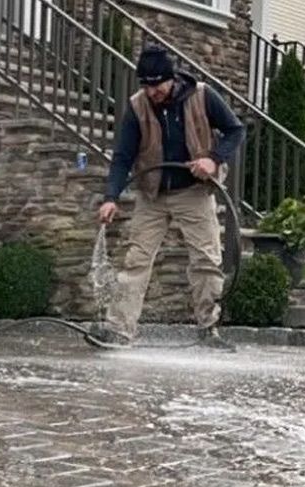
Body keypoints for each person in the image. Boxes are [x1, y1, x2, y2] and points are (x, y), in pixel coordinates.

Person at [93, 45, 245, 351]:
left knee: (205, 260)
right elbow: (123, 156)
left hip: (195, 191)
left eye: (156, 85)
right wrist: (111, 196)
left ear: (171, 78)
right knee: (136, 259)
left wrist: (214, 159)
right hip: (152, 194)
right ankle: (120, 329)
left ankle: (208, 329)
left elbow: (235, 130)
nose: (152, 92)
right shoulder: (137, 107)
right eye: (146, 86)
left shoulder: (202, 95)